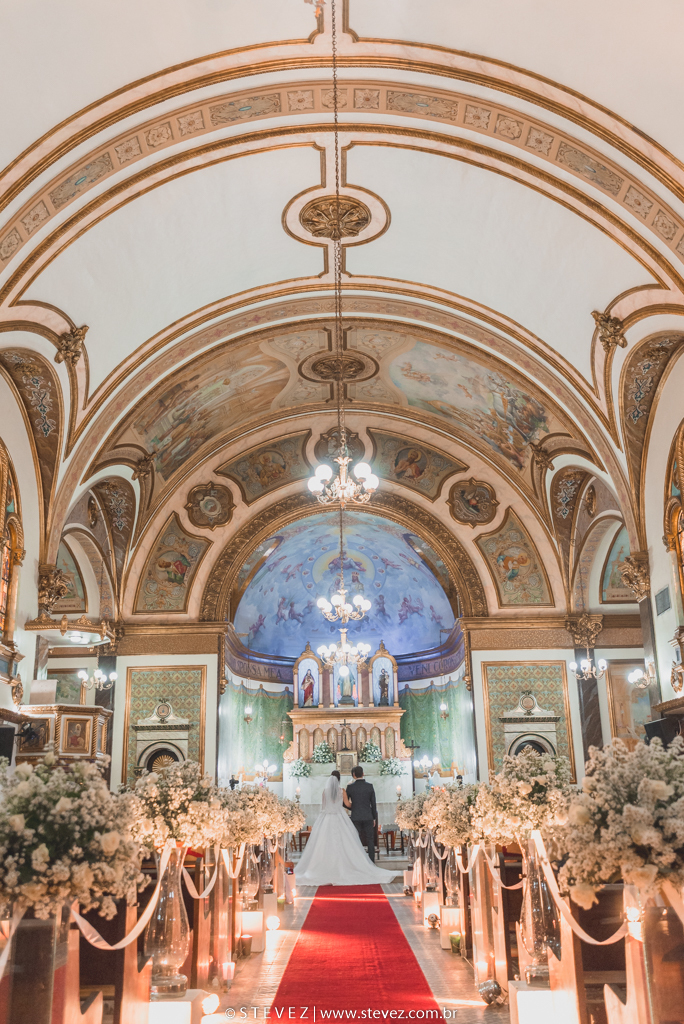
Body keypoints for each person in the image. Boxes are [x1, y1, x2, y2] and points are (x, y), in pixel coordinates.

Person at [294, 771, 396, 886]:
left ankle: (324, 867)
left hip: (326, 818)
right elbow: (347, 804)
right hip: (339, 817)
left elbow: (323, 806)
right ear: (339, 779)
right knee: (346, 841)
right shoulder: (341, 790)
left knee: (323, 843)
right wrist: (358, 806)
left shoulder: (324, 791)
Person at [346, 765, 378, 862]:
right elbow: (373, 803)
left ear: (354, 775)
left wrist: (353, 807)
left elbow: (345, 802)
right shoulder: (369, 786)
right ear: (363, 774)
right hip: (368, 816)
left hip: (355, 816)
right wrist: (374, 818)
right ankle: (371, 861)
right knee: (370, 839)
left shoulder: (350, 787)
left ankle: (358, 861)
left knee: (356, 839)